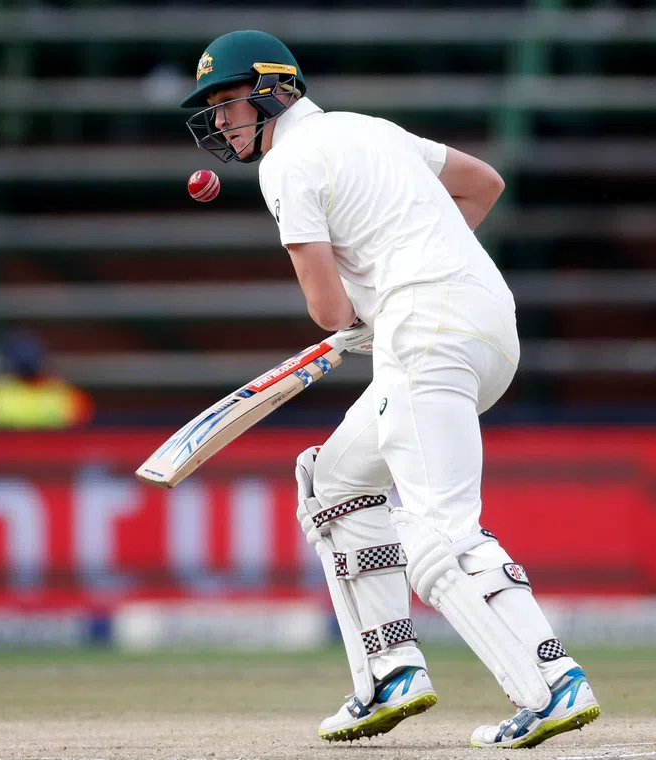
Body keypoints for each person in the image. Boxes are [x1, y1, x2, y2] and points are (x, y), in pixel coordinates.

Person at [181, 30, 600, 749]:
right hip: (486, 323)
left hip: (426, 330)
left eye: (228, 101)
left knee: (440, 527)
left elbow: (328, 310)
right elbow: (483, 184)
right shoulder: (370, 129)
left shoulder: (285, 165)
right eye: (213, 108)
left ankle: (551, 681)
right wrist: (403, 272)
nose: (220, 120)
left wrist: (370, 309)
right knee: (334, 483)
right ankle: (390, 672)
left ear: (275, 90)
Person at [0, 330, 93, 429]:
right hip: (5, 450)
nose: (26, 359)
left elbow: (80, 433)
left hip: (51, 449)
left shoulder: (67, 394)